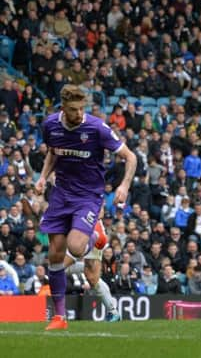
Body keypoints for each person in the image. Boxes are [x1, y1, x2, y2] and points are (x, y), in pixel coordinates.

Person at [35, 85, 137, 330]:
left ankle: (93, 234)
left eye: (82, 108)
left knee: (77, 247)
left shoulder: (96, 128)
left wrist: (124, 186)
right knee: (55, 256)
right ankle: (60, 317)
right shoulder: (50, 125)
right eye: (73, 109)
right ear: (63, 108)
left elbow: (131, 157)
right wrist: (42, 177)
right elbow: (52, 153)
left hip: (88, 196)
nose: (79, 113)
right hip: (61, 194)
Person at [63, 208, 120, 322]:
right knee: (60, 268)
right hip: (74, 232)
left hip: (90, 233)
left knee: (92, 279)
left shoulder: (91, 193)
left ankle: (113, 312)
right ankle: (59, 313)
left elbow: (100, 211)